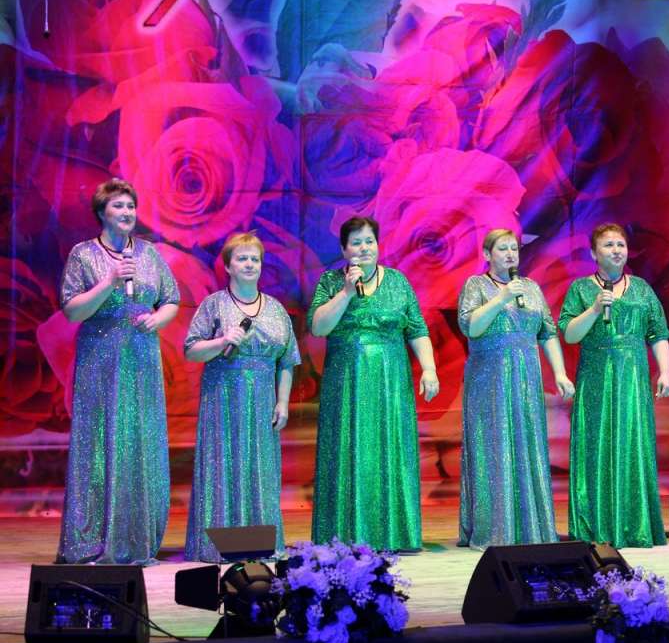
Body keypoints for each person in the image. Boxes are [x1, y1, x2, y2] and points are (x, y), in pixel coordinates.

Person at [56, 178, 180, 564]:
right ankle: (92, 538)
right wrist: (110, 281)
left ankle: (137, 536)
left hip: (141, 360)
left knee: (138, 441)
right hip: (101, 360)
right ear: (101, 213)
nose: (127, 213)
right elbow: (72, 311)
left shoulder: (148, 253)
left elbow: (172, 299)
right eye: (118, 206)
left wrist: (158, 319)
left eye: (131, 206)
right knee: (100, 442)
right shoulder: (83, 254)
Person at [308, 217, 439, 550]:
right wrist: (345, 292)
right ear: (343, 250)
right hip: (346, 384)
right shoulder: (330, 281)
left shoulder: (397, 281)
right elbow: (318, 328)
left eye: (369, 241)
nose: (364, 248)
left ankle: (393, 533)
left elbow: (417, 329)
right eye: (356, 242)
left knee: (390, 447)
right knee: (348, 449)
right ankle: (344, 534)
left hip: (390, 382)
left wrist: (429, 369)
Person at [183, 233, 300, 562]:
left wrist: (283, 402)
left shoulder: (276, 309)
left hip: (263, 400)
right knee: (225, 467)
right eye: (242, 258)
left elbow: (287, 360)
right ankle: (222, 546)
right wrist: (221, 341)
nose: (249, 264)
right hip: (223, 399)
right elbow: (191, 350)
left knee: (260, 470)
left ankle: (257, 545)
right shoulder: (214, 305)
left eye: (255, 259)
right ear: (228, 266)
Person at [457, 229, 574, 550]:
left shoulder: (531, 288)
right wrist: (502, 298)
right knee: (494, 447)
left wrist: (560, 373)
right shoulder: (475, 285)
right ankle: (494, 528)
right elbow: (471, 327)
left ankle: (529, 526)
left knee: (526, 445)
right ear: (487, 254)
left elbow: (547, 332)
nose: (510, 254)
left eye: (514, 249)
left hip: (525, 376)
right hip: (489, 378)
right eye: (503, 249)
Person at [558, 223, 669, 548]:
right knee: (596, 445)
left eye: (620, 244)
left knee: (632, 443)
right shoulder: (581, 289)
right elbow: (569, 334)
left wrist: (664, 372)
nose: (616, 250)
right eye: (608, 245)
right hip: (596, 377)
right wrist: (595, 309)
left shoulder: (642, 289)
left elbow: (658, 333)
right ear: (594, 253)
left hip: (632, 378)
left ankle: (635, 525)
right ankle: (595, 526)